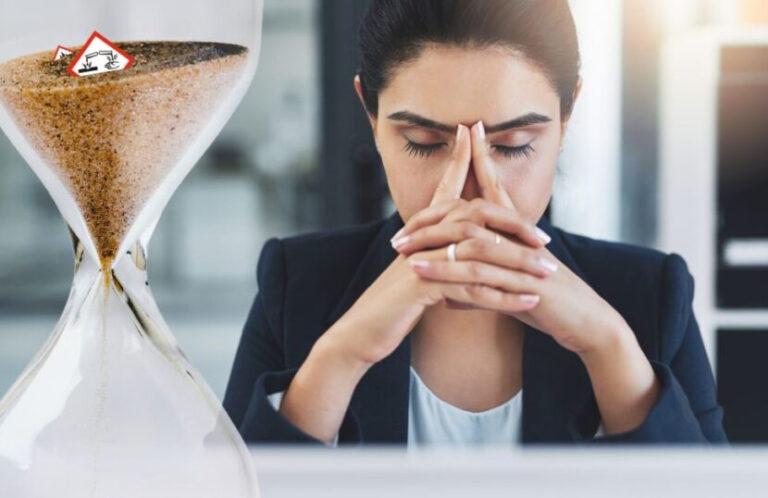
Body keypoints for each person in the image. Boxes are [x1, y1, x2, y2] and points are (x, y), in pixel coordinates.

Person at [222, 0, 728, 447]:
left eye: (512, 146)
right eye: (423, 140)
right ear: (372, 119)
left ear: (567, 116)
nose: (468, 189)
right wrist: (341, 355)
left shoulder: (649, 298)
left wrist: (609, 349)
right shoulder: (296, 285)